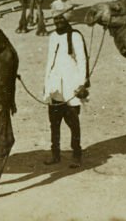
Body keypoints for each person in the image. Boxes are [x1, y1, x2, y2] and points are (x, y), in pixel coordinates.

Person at [43, 13, 89, 168]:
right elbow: (50, 61)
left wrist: (82, 84)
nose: (58, 21)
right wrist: (47, 85)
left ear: (67, 19)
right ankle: (55, 154)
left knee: (73, 123)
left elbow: (83, 60)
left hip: (71, 86)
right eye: (55, 18)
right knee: (54, 124)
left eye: (61, 18)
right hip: (55, 86)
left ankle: (77, 155)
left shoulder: (75, 36)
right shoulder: (52, 37)